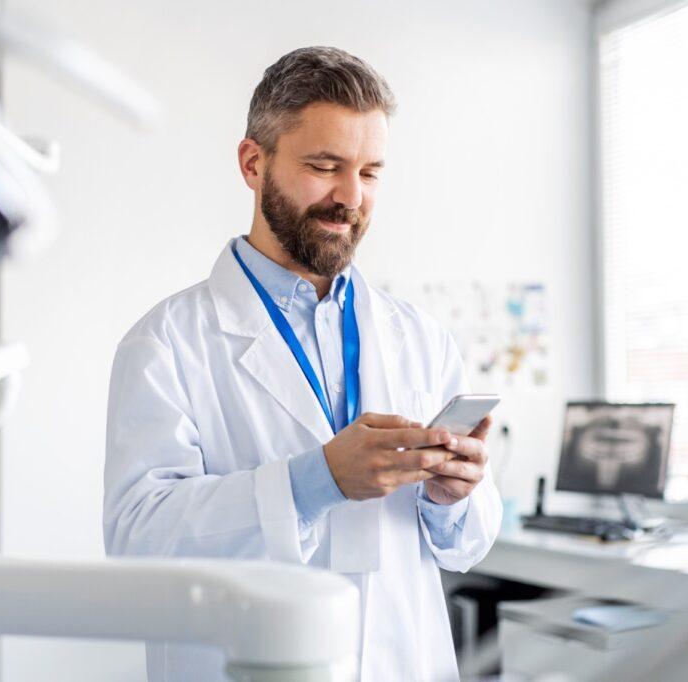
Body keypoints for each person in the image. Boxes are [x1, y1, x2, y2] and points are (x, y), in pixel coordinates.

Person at [104, 46, 501, 681]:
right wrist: (314, 482)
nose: (351, 197)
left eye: (371, 172)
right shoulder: (166, 342)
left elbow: (465, 546)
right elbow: (137, 540)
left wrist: (452, 496)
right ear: (252, 163)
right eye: (324, 166)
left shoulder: (420, 338)